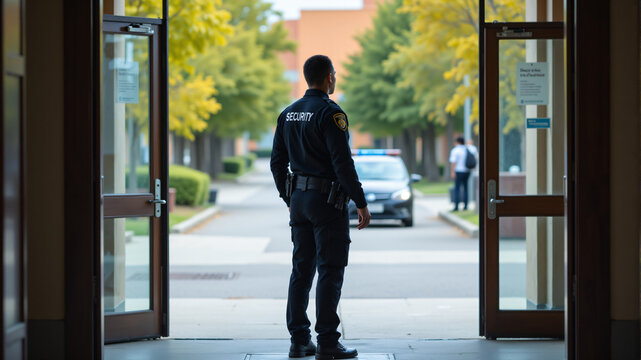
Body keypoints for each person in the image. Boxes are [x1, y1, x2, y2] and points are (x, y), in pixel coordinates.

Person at [270, 54, 371, 360]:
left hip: (299, 201)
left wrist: (290, 199)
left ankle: (299, 341)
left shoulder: (288, 114)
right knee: (329, 269)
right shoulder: (331, 114)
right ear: (329, 78)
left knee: (302, 270)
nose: (335, 78)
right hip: (327, 203)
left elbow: (277, 164)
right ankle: (327, 341)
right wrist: (361, 202)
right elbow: (343, 164)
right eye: (335, 75)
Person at [449, 136, 475, 211]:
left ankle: (456, 206)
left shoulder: (455, 150)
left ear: (457, 142)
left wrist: (452, 172)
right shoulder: (467, 149)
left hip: (458, 171)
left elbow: (453, 162)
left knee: (457, 188)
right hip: (467, 171)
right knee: (465, 188)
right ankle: (465, 205)